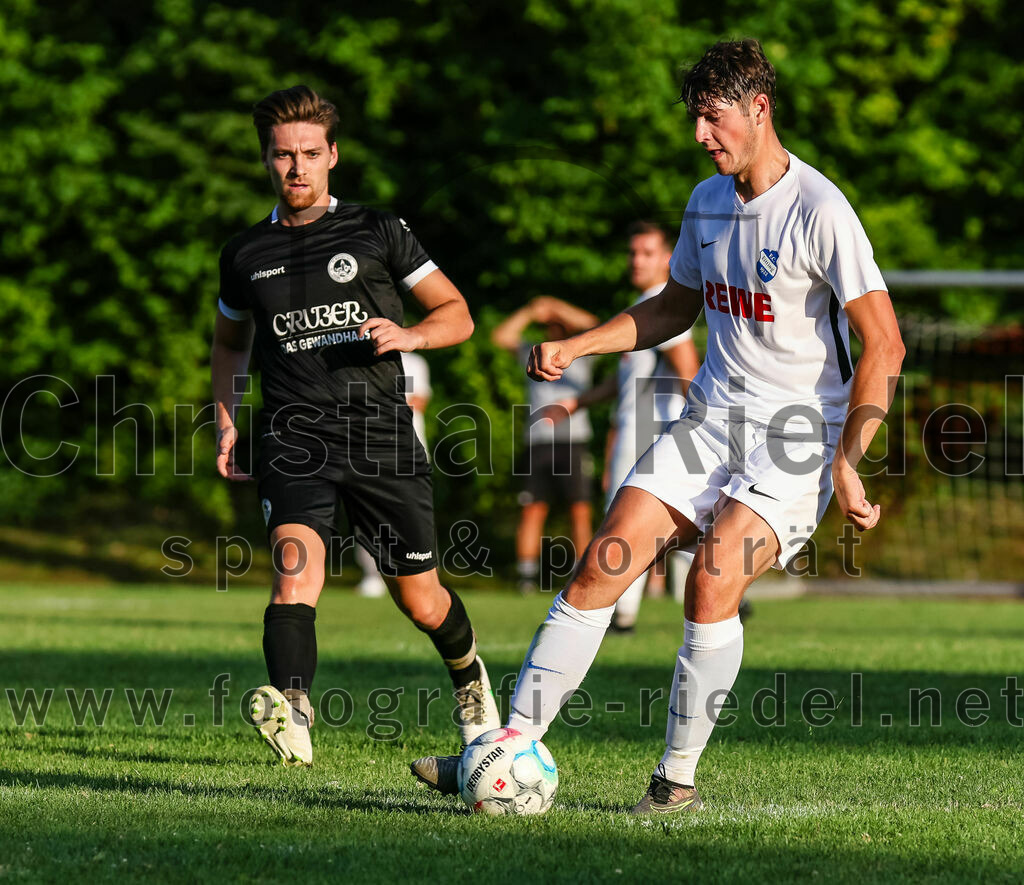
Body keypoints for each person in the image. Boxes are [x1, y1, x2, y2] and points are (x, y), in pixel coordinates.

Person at [410, 39, 904, 811]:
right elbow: (674, 308)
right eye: (694, 119)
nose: (701, 135)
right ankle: (507, 748)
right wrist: (581, 342)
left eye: (713, 118)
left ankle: (676, 780)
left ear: (758, 109)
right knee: (602, 561)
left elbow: (886, 343)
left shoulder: (820, 208)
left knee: (710, 579)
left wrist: (849, 457)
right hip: (710, 420)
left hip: (798, 439)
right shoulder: (706, 202)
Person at [211, 85, 499, 767]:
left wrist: (410, 335)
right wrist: (226, 421)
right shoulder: (245, 253)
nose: (297, 168)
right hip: (293, 433)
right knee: (293, 571)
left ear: (333, 155)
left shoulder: (377, 230)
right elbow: (228, 344)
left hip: (380, 435)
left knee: (422, 599)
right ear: (265, 162)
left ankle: (469, 680)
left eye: (311, 153)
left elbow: (457, 312)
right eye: (283, 156)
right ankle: (293, 710)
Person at [539, 222, 700, 630]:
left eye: (647, 252)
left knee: (625, 522)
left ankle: (622, 614)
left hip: (652, 428)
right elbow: (626, 380)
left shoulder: (661, 304)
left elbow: (687, 367)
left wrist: (701, 420)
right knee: (670, 522)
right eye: (633, 252)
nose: (637, 260)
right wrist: (578, 401)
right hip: (641, 425)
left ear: (668, 258)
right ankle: (711, 582)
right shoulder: (646, 302)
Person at [491, 297, 600, 593]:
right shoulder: (533, 352)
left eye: (561, 324)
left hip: (574, 441)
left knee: (579, 509)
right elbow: (501, 337)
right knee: (532, 509)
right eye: (551, 325)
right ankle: (526, 577)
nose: (556, 328)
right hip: (538, 442)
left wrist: (557, 307)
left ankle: (582, 573)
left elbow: (596, 326)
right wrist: (530, 310)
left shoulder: (583, 354)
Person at [356, 351, 432, 598]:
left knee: (412, 516)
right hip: (367, 447)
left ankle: (422, 574)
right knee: (366, 516)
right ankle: (372, 575)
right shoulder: (360, 358)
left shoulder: (414, 362)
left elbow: (419, 401)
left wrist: (379, 405)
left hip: (408, 450)